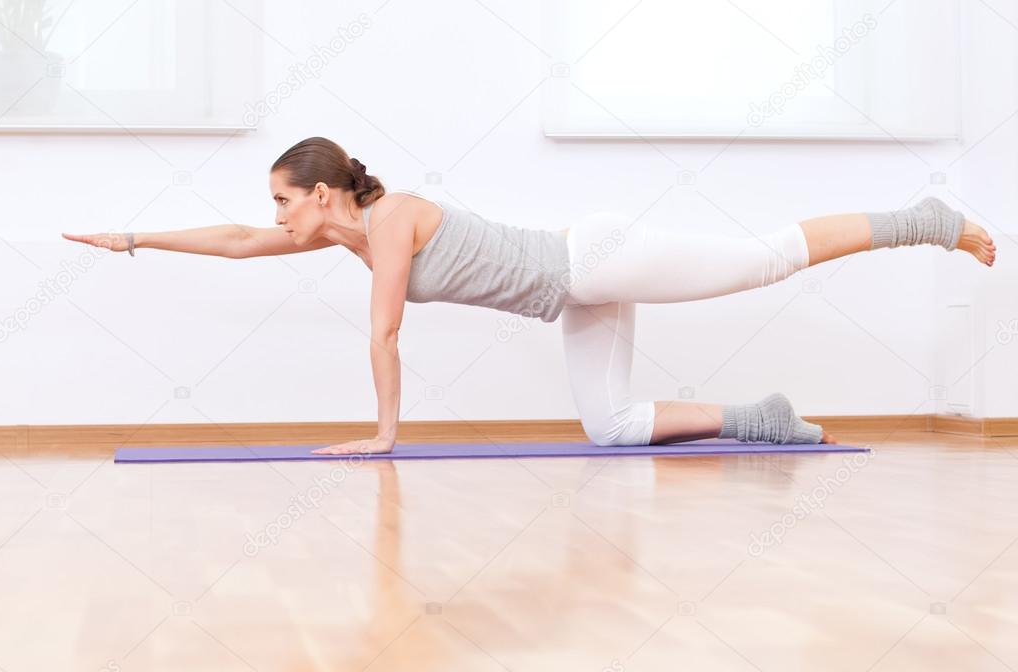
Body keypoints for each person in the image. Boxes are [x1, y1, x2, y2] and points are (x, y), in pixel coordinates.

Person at [62, 137, 997, 455]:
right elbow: (230, 242)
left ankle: (924, 218)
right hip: (574, 292)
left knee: (759, 261)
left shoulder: (389, 223)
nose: (271, 216)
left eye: (281, 199)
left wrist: (387, 433)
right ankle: (768, 421)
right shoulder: (343, 229)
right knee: (612, 427)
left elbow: (384, 334)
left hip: (593, 258)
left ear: (320, 193)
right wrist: (133, 236)